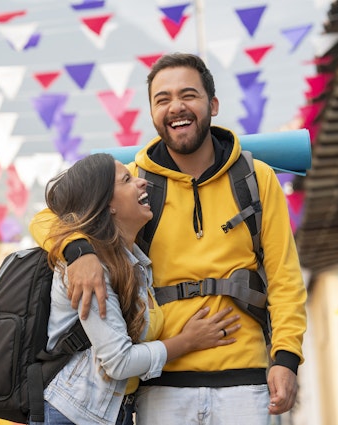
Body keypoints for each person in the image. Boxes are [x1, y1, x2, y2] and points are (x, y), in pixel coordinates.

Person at [30, 53, 307, 424]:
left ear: (213, 104)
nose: (176, 106)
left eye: (188, 95)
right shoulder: (133, 182)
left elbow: (285, 278)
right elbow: (45, 218)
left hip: (246, 380)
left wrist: (286, 358)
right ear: (153, 114)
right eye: (162, 99)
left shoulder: (256, 179)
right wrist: (78, 251)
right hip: (160, 384)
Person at [34, 153, 241, 425]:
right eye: (127, 180)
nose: (142, 183)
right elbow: (118, 362)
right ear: (107, 205)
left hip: (108, 412)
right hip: (74, 414)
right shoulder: (93, 270)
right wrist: (187, 341)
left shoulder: (135, 263)